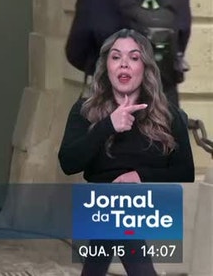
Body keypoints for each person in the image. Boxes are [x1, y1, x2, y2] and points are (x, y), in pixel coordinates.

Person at [58, 29, 195, 276]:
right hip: (103, 208)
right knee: (116, 210)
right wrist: (108, 125)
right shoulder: (84, 110)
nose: (124, 64)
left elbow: (185, 171)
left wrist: (140, 176)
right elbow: (68, 163)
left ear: (145, 67)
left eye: (134, 57)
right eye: (115, 57)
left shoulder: (168, 114)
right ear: (106, 66)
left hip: (152, 207)